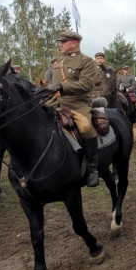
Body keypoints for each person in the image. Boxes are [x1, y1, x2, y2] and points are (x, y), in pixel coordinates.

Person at [45, 31, 100, 187]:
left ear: (74, 43)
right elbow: (53, 85)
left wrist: (62, 86)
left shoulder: (86, 62)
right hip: (55, 102)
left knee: (86, 127)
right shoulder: (59, 62)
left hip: (78, 103)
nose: (60, 45)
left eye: (63, 42)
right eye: (60, 42)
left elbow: (86, 85)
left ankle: (92, 168)